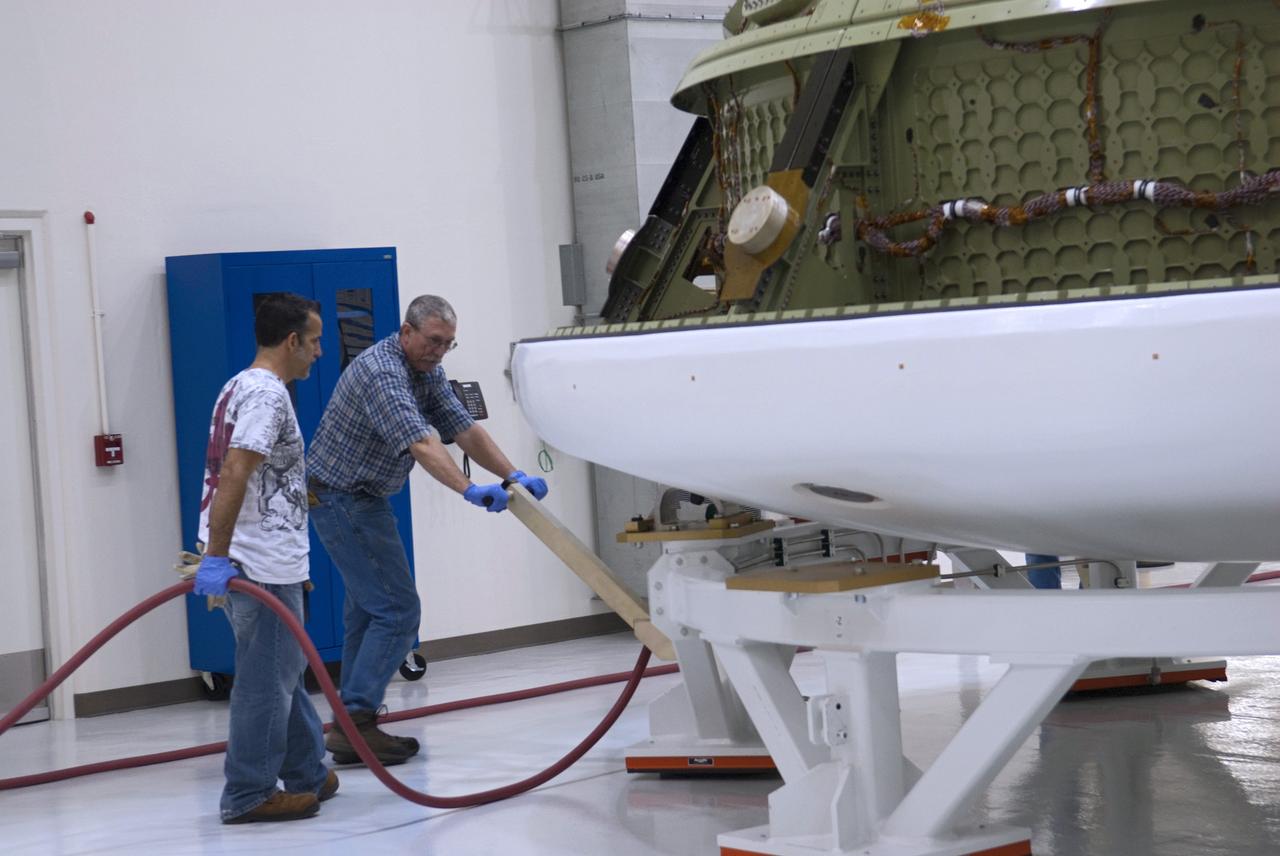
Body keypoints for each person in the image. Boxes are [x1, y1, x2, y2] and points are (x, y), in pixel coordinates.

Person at [307, 294, 548, 766]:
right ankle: (355, 722)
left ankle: (353, 721)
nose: (438, 351)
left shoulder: (426, 371)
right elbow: (421, 442)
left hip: (363, 497)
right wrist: (467, 489)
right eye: (433, 341)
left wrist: (512, 474)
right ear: (406, 332)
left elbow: (463, 428)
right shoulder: (383, 373)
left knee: (367, 612)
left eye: (447, 345)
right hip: (340, 498)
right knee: (397, 610)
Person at [193, 293, 337, 823]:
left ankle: (306, 772)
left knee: (282, 671)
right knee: (264, 684)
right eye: (316, 341)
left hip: (264, 559)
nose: (320, 352)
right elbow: (235, 473)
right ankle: (249, 792)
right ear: (293, 340)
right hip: (256, 562)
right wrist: (219, 557)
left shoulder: (240, 384)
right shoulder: (267, 397)